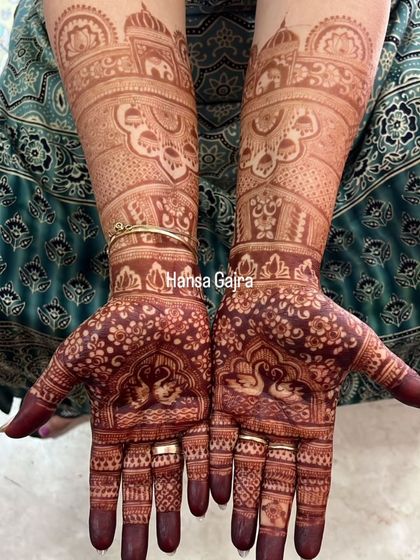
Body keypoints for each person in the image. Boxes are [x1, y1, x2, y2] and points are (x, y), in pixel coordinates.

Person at [1, 1, 420, 560]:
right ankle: (80, 401)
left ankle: (76, 401)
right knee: (40, 297)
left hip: (333, 78)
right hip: (103, 72)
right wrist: (150, 271)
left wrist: (279, 265)